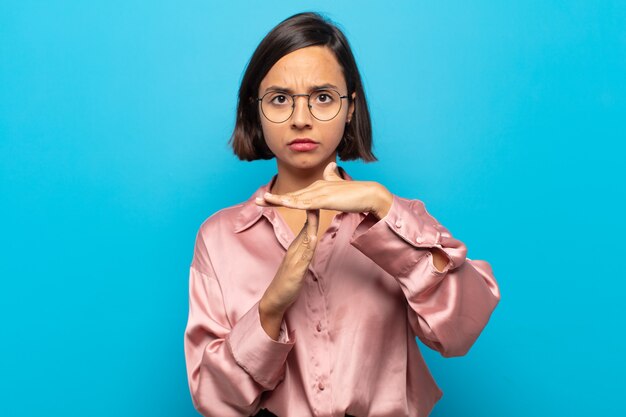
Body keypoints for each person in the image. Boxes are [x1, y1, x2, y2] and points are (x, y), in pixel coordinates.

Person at [183, 11, 500, 417]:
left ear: (350, 107)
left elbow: (460, 331)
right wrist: (270, 308)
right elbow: (213, 399)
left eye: (323, 98)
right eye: (280, 99)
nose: (301, 119)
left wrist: (382, 206)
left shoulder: (401, 220)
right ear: (256, 110)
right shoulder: (220, 238)